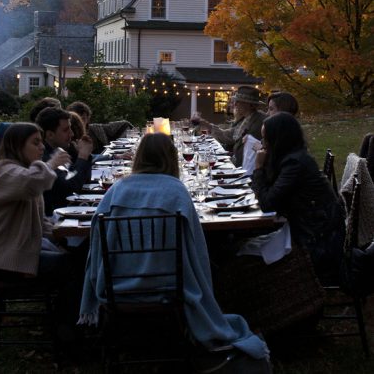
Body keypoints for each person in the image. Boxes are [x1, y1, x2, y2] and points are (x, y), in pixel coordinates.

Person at [79, 132, 270, 365]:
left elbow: (97, 240)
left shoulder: (116, 191)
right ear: (171, 158)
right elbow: (196, 249)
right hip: (170, 286)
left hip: (117, 287)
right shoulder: (177, 192)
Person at [0, 123, 80, 329]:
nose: (42, 147)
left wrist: (63, 235)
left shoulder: (18, 171)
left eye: (41, 142)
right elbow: (34, 181)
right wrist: (50, 164)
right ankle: (67, 330)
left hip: (18, 252)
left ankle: (71, 323)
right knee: (74, 267)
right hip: (6, 261)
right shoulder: (3, 172)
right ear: (16, 146)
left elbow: (38, 221)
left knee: (79, 256)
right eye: (35, 143)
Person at [251, 112, 345, 281]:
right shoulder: (293, 158)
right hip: (309, 229)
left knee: (243, 255)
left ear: (278, 139)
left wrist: (258, 168)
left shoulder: (295, 163)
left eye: (265, 138)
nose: (262, 143)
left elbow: (267, 204)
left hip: (316, 241)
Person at [36, 107, 94, 216]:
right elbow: (70, 189)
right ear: (50, 135)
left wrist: (83, 156)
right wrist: (82, 157)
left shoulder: (59, 151)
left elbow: (84, 181)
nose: (72, 134)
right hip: (54, 222)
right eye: (66, 130)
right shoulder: (45, 157)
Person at [202, 86, 266, 167]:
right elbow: (228, 135)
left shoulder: (260, 121)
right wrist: (205, 124)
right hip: (237, 166)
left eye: (239, 102)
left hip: (247, 171)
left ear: (251, 105)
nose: (235, 104)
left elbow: (261, 148)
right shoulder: (245, 119)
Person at [66, 100, 132, 154]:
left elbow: (124, 124)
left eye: (83, 118)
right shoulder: (70, 137)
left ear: (88, 118)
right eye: (78, 119)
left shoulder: (95, 130)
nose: (81, 122)